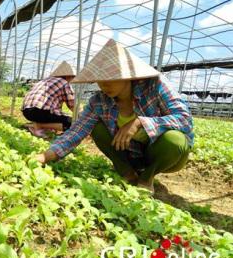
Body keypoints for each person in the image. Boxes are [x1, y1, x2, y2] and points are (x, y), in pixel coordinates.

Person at [36, 39, 194, 193]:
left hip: (161, 153)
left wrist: (139, 122)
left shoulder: (155, 86)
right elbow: (76, 132)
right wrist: (44, 156)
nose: (104, 85)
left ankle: (147, 177)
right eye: (100, 80)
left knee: (175, 139)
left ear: (128, 76)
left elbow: (184, 119)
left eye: (111, 78)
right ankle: (127, 172)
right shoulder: (98, 101)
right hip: (129, 154)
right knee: (96, 128)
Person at [22, 61, 75, 138]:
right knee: (71, 123)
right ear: (68, 76)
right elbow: (72, 105)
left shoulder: (46, 80)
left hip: (26, 112)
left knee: (56, 117)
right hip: (40, 112)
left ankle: (34, 125)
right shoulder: (64, 82)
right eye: (72, 77)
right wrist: (81, 118)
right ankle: (38, 126)